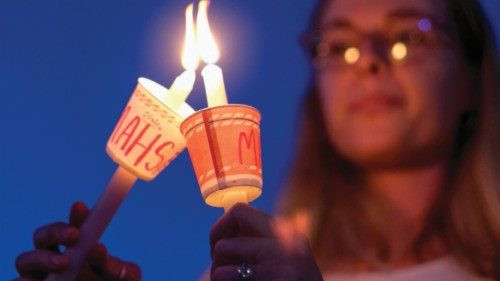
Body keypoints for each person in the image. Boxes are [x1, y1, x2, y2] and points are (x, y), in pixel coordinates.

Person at [14, 0, 500, 280]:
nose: (367, 60)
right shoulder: (244, 270)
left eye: (408, 36)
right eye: (339, 45)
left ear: (474, 77)